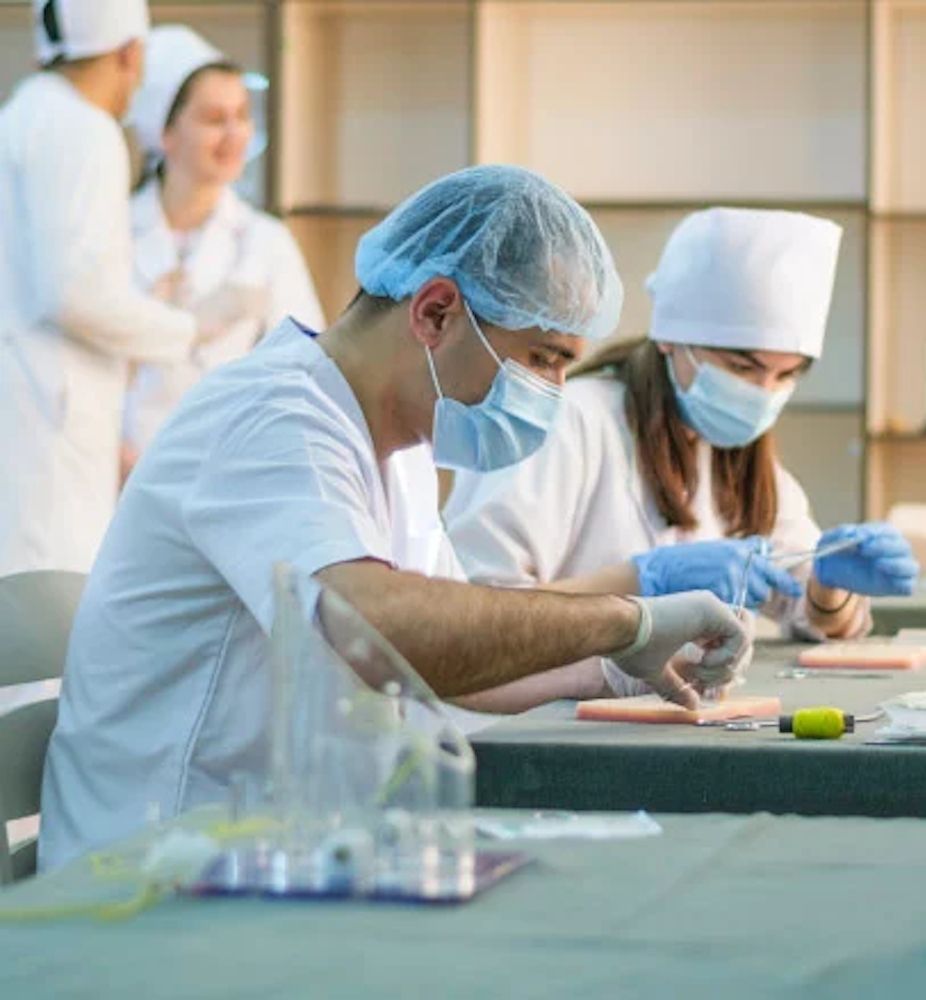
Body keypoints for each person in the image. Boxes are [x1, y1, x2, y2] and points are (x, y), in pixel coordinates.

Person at [39, 166, 753, 869]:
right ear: (435, 312)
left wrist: (616, 670)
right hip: (153, 881)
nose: (555, 394)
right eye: (542, 359)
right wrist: (626, 620)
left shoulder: (400, 443)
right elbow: (380, 634)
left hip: (276, 854)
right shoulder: (272, 416)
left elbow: (448, 668)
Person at [445, 207, 919, 696]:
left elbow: (811, 613)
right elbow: (473, 619)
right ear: (671, 340)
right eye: (741, 367)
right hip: (531, 731)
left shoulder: (736, 451)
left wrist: (826, 582)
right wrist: (642, 582)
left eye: (786, 375)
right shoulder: (570, 423)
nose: (762, 393)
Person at [0, 0, 232, 578]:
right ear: (130, 53)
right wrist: (186, 327)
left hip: (36, 408)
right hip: (54, 417)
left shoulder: (22, 115)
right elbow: (72, 292)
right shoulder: (86, 128)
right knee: (48, 607)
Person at [121, 25, 325, 476]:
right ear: (165, 133)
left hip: (227, 479)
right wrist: (115, 456)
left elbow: (308, 375)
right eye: (214, 119)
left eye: (242, 115)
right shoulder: (114, 232)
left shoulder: (266, 242)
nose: (235, 134)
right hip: (117, 475)